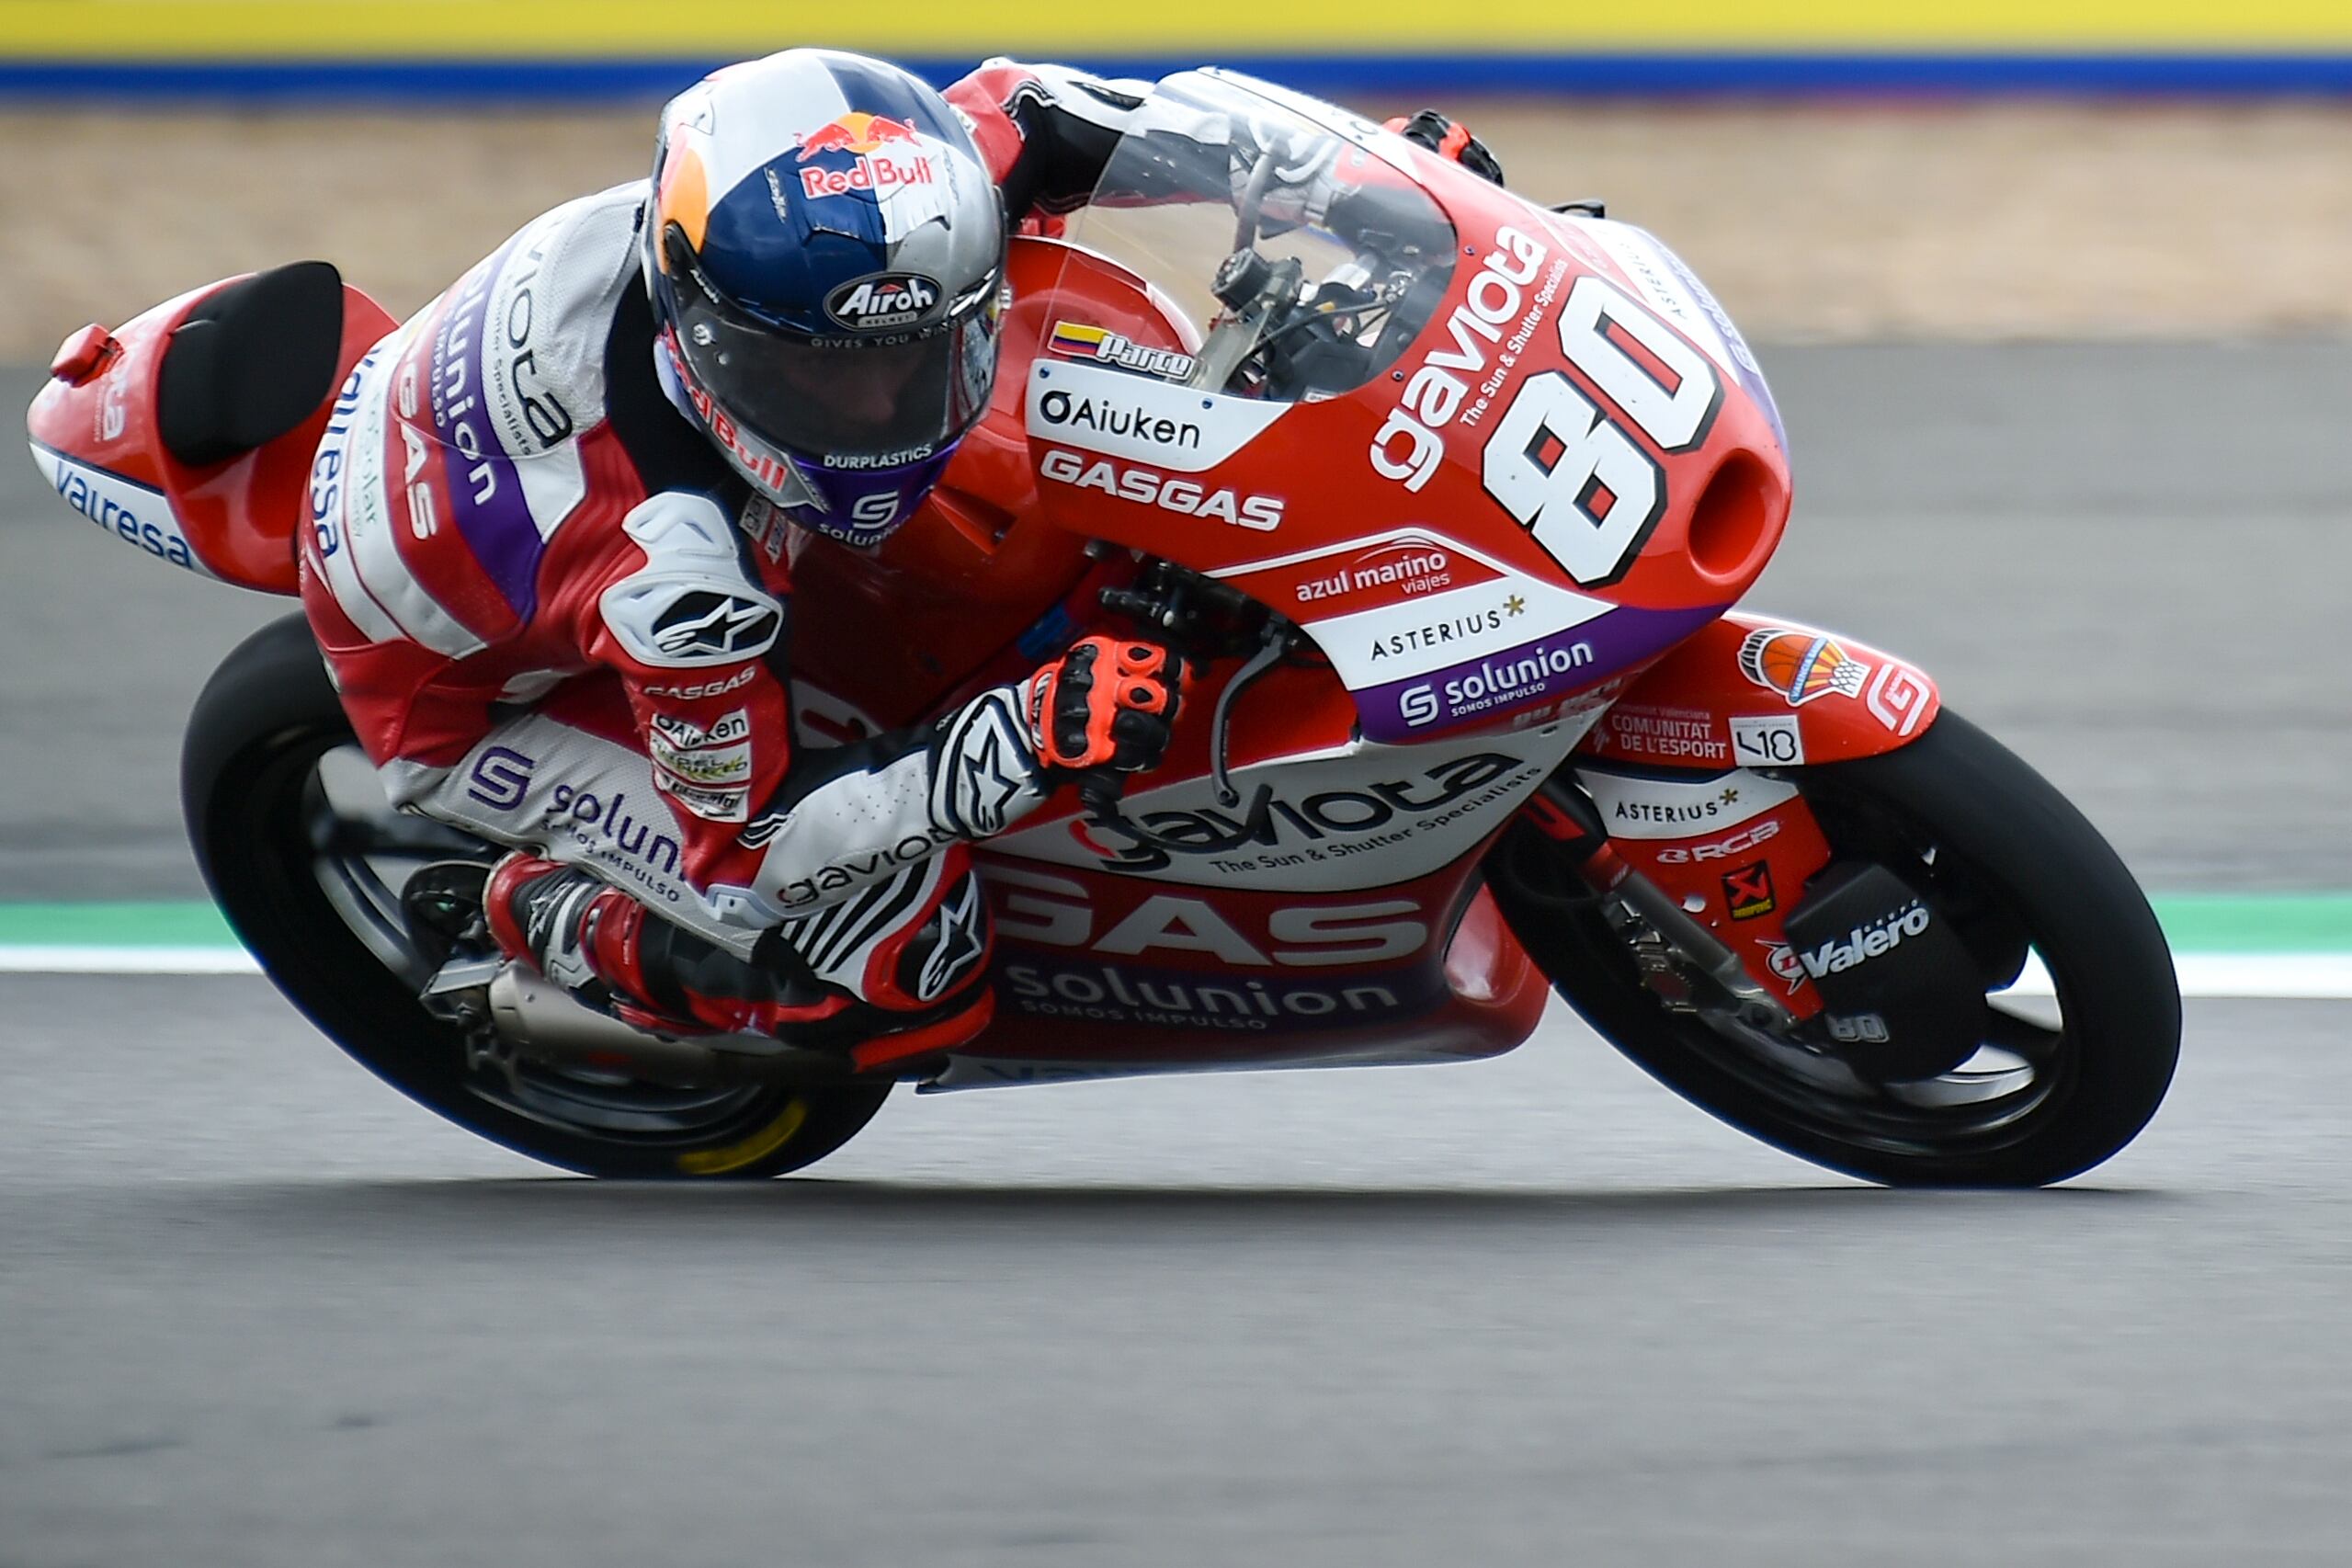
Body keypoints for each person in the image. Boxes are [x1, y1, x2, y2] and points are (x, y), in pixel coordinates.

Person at [298, 50, 1501, 1067]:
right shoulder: (678, 580)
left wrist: (1365, 191)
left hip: (506, 453)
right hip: (469, 690)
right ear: (710, 346)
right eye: (824, 379)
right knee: (904, 974)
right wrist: (1022, 738)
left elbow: (1047, 110)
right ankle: (545, 914)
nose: (885, 406)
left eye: (919, 354)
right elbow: (753, 847)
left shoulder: (883, 203)